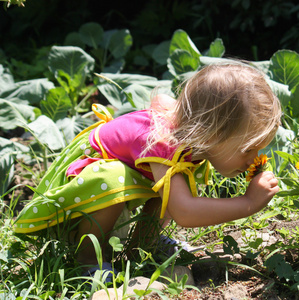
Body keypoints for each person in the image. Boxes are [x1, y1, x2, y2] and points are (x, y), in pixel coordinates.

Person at [14, 62, 282, 274]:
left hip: (127, 176)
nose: (254, 159)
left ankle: (143, 246)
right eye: (247, 149)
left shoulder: (194, 141)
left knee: (170, 185)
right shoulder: (165, 143)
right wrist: (247, 203)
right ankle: (88, 258)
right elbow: (185, 212)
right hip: (83, 181)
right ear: (211, 133)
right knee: (115, 177)